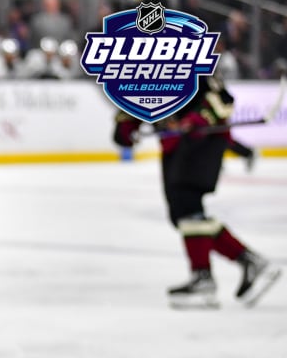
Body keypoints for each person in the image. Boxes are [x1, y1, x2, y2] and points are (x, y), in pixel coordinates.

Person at [114, 73, 281, 308]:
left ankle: (204, 277)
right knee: (181, 214)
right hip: (174, 143)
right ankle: (249, 261)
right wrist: (126, 126)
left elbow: (222, 101)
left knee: (187, 206)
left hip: (203, 140)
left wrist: (196, 120)